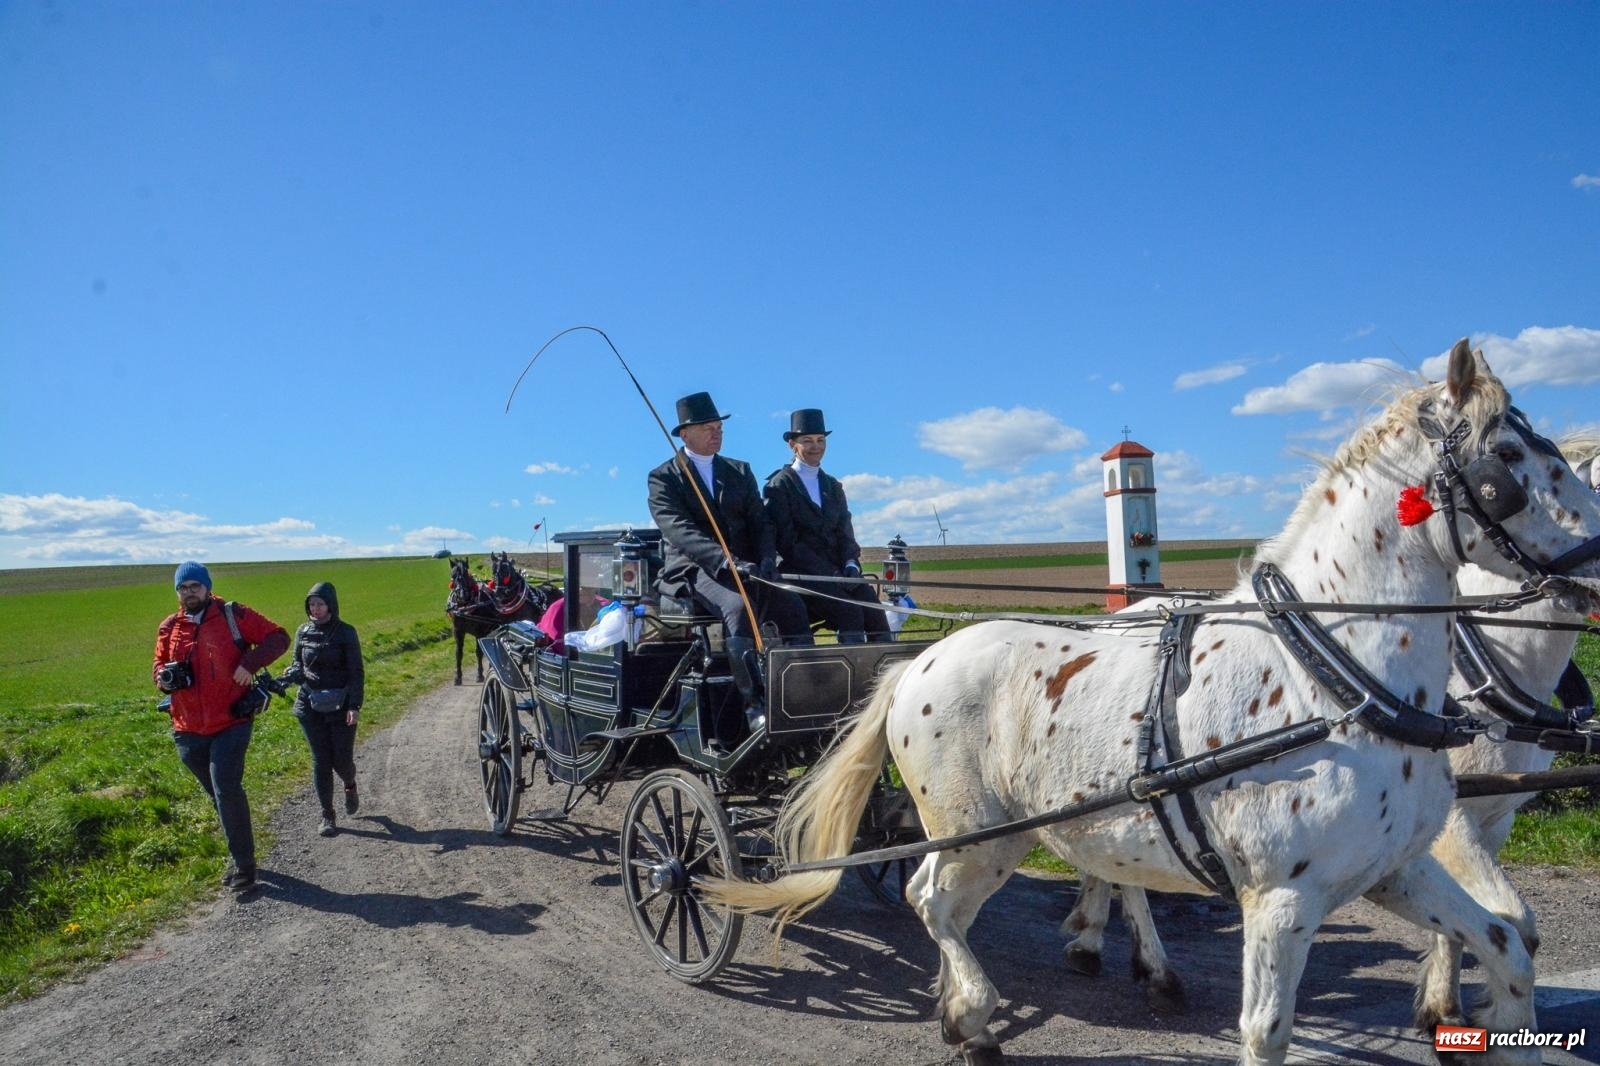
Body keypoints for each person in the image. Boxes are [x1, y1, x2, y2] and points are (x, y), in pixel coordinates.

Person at [647, 391, 811, 730]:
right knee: (736, 607)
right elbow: (680, 532)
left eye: (719, 427)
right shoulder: (663, 478)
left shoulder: (738, 471)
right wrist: (726, 562)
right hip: (694, 569)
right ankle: (753, 705)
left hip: (748, 567)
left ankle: (804, 692)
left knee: (792, 604)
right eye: (708, 427)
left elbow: (760, 522)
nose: (717, 433)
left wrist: (767, 558)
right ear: (684, 434)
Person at [152, 561, 289, 892]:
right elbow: (157, 665)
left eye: (194, 586)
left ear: (207, 587)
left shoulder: (232, 615)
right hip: (187, 729)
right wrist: (162, 679)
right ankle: (238, 851)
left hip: (231, 721)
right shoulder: (170, 626)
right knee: (217, 793)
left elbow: (278, 637)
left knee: (226, 788)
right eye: (183, 588)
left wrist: (249, 663)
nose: (189, 592)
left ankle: (244, 866)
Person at [763, 409, 892, 644]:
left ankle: (884, 670)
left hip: (840, 573)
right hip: (802, 574)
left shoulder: (833, 486)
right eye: (807, 441)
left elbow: (845, 531)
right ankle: (850, 675)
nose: (816, 447)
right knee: (849, 611)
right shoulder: (780, 486)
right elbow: (788, 543)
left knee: (873, 609)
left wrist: (851, 563)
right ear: (793, 444)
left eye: (820, 440)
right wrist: (829, 573)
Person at [277, 581, 365, 837]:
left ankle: (349, 784)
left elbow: (356, 673)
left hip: (341, 706)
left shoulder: (346, 632)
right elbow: (297, 665)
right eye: (311, 604)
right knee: (321, 761)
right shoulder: (303, 632)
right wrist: (287, 677)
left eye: (320, 604)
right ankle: (327, 814)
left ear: (331, 605)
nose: (315, 609)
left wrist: (354, 705)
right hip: (309, 705)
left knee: (342, 760)